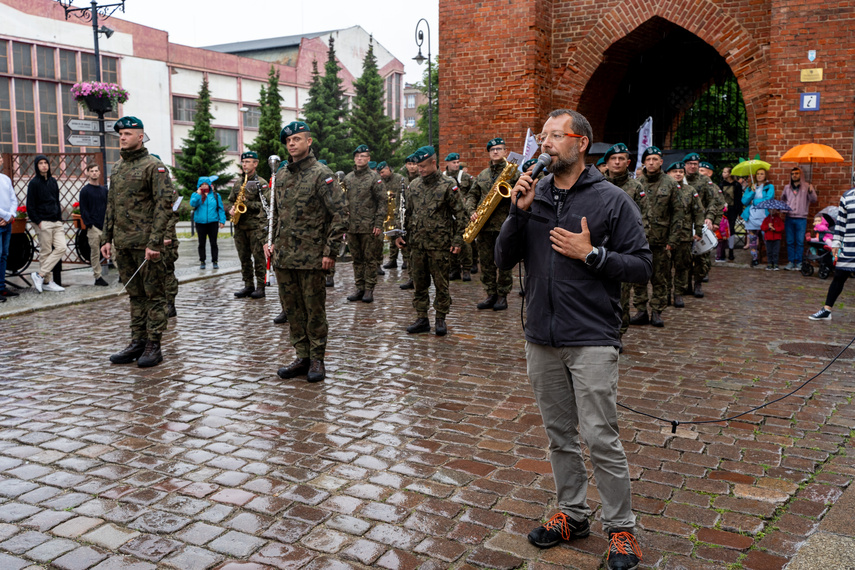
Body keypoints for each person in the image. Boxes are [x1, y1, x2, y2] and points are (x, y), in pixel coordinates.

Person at [496, 109, 650, 570]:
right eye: (542, 136)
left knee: (601, 437)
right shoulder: (533, 195)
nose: (544, 144)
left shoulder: (612, 200)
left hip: (591, 336)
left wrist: (594, 255)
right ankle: (573, 513)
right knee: (559, 436)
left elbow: (642, 266)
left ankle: (621, 530)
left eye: (554, 136)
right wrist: (517, 214)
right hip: (541, 335)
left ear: (580, 143)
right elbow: (504, 259)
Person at [265, 121, 347, 383]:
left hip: (312, 257)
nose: (291, 143)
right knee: (293, 310)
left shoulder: (322, 174)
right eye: (288, 140)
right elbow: (276, 215)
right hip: (285, 257)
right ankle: (301, 356)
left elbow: (340, 215)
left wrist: (330, 252)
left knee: (314, 310)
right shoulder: (282, 175)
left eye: (297, 139)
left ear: (308, 142)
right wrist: (271, 241)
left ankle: (317, 359)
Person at [101, 116, 175, 367]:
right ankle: (137, 341)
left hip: (146, 245)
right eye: (120, 134)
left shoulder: (154, 166)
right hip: (123, 244)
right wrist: (106, 238)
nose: (122, 137)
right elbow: (111, 205)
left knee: (154, 295)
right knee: (135, 296)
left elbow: (164, 206)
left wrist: (155, 243)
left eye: (128, 133)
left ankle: (154, 344)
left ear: (140, 136)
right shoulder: (118, 167)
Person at [395, 146, 467, 336]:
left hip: (440, 244)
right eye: (418, 166)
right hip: (417, 244)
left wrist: (458, 240)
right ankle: (422, 318)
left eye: (424, 166)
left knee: (441, 283)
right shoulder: (415, 185)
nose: (420, 169)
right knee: (419, 283)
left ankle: (441, 318)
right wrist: (400, 234)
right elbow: (406, 213)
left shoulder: (447, 184)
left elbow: (461, 214)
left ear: (434, 162)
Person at [467, 137, 520, 311]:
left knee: (503, 261)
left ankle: (503, 295)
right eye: (492, 150)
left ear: (505, 152)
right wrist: (471, 211)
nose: (495, 152)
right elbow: (471, 195)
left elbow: (522, 194)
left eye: (499, 149)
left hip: (505, 225)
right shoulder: (482, 175)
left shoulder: (514, 173)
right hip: (484, 225)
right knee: (487, 261)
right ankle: (490, 293)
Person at [631, 146, 679, 327]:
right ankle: (641, 310)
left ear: (661, 162)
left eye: (655, 159)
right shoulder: (638, 183)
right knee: (639, 277)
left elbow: (678, 213)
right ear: (644, 162)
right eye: (648, 159)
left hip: (661, 240)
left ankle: (657, 311)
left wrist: (672, 240)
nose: (651, 163)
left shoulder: (670, 183)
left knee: (660, 278)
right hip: (640, 240)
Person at [602, 143, 647, 337]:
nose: (617, 162)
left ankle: (618, 332)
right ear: (607, 163)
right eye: (614, 159)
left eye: (621, 159)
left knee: (621, 293)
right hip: (598, 245)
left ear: (628, 162)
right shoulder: (598, 184)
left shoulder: (636, 187)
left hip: (623, 247)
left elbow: (644, 217)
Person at [344, 144, 385, 304]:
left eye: (363, 156)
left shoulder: (374, 178)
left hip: (369, 226)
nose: (360, 159)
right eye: (357, 156)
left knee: (370, 259)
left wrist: (379, 224)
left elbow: (382, 202)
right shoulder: (348, 178)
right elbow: (344, 200)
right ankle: (359, 287)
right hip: (352, 226)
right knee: (357, 259)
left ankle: (369, 289)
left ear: (368, 159)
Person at [809, 188, 855, 320]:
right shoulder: (847, 196)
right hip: (849, 245)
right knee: (839, 276)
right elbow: (841, 222)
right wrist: (836, 242)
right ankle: (827, 310)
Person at [229, 151, 269, 299]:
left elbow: (266, 205)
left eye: (248, 162)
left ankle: (260, 286)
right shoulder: (238, 182)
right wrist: (233, 208)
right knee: (244, 258)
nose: (245, 165)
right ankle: (248, 285)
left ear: (255, 163)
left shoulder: (261, 183)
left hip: (255, 227)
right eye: (243, 162)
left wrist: (248, 203)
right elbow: (232, 200)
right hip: (240, 226)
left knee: (258, 258)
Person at [683, 154, 724, 298]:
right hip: (683, 223)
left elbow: (714, 201)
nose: (692, 166)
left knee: (701, 256)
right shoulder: (679, 179)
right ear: (685, 165)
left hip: (700, 222)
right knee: (684, 256)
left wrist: (710, 218)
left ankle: (698, 284)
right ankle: (685, 284)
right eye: (689, 163)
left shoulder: (705, 181)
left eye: (695, 163)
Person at [666, 161, 703, 308]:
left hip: (684, 235)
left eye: (680, 171)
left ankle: (678, 294)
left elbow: (698, 211)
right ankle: (666, 294)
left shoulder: (690, 190)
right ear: (668, 173)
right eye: (674, 171)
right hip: (666, 235)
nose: (678, 174)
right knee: (665, 268)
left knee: (682, 266)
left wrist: (698, 230)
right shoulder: (664, 189)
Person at [27, 155, 67, 293]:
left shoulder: (53, 181)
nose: (44, 165)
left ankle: (40, 274)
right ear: (37, 166)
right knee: (45, 252)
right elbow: (30, 206)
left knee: (62, 247)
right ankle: (47, 282)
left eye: (46, 163)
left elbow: (56, 200)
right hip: (43, 222)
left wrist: (59, 219)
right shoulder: (33, 183)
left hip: (56, 221)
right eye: (40, 163)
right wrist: (39, 222)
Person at [444, 152, 475, 282]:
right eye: (453, 163)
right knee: (450, 241)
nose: (456, 165)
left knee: (465, 241)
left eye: (457, 162)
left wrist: (467, 202)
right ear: (447, 163)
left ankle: (466, 269)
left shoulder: (466, 177)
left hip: (463, 213)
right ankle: (454, 269)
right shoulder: (443, 178)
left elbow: (473, 193)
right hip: (449, 214)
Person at [781, 166, 817, 270]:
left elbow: (814, 200)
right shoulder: (787, 188)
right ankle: (791, 261)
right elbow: (782, 200)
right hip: (789, 218)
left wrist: (811, 191)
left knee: (800, 242)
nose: (794, 175)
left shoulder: (807, 186)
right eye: (792, 174)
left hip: (801, 218)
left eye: (796, 173)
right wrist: (784, 209)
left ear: (800, 175)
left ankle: (799, 262)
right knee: (790, 241)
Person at [79, 163, 109, 286]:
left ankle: (122, 274)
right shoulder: (85, 191)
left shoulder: (104, 190)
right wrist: (89, 224)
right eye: (92, 171)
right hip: (93, 227)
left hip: (105, 226)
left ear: (99, 172)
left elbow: (108, 207)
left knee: (113, 249)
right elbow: (83, 209)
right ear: (87, 173)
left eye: (96, 170)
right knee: (95, 252)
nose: (94, 173)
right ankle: (98, 276)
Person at [741, 168, 775, 267]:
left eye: (762, 174)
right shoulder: (751, 187)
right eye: (758, 174)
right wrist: (751, 192)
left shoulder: (769, 187)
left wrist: (755, 202)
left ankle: (769, 258)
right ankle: (754, 258)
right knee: (752, 241)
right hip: (751, 217)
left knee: (766, 239)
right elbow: (744, 201)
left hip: (764, 217)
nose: (759, 175)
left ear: (765, 175)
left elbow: (768, 200)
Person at [190, 176, 225, 269]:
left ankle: (215, 261)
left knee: (213, 243)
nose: (205, 186)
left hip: (213, 222)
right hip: (200, 222)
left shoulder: (215, 195)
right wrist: (198, 195)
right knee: (201, 243)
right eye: (202, 185)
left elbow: (220, 208)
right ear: (199, 186)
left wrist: (222, 221)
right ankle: (202, 261)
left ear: (209, 185)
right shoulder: (195, 195)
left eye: (206, 184)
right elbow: (192, 204)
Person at [379, 161, 407, 270]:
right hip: (388, 213)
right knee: (392, 236)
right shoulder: (381, 182)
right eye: (380, 173)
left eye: (383, 172)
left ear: (388, 169)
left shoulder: (399, 178)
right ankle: (392, 259)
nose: (382, 174)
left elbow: (403, 194)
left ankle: (405, 260)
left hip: (399, 211)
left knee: (402, 235)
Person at [0, 154, 16, 302]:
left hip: (6, 223)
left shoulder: (6, 179)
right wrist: (5, 216)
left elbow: (13, 199)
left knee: (4, 254)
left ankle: (1, 287)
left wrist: (11, 215)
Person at [720, 166, 743, 260]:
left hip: (733, 210)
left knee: (731, 229)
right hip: (723, 210)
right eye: (723, 172)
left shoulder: (737, 185)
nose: (723, 174)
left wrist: (740, 212)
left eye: (725, 172)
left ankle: (731, 250)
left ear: (730, 174)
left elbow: (738, 199)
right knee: (722, 229)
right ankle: (721, 251)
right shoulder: (721, 184)